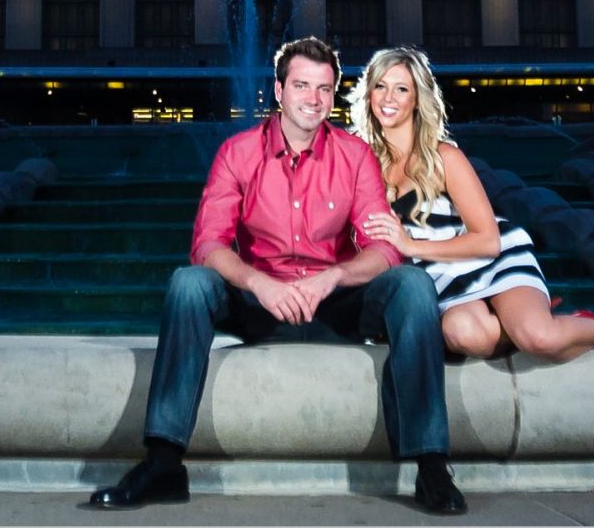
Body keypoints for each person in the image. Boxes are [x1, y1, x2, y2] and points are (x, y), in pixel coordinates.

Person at [87, 37, 467, 515]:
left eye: (325, 89)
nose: (314, 99)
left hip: (334, 303)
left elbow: (385, 250)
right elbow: (208, 245)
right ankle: (164, 463)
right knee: (188, 283)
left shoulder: (354, 156)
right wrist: (258, 283)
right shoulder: (237, 153)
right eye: (303, 86)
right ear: (279, 90)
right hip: (259, 304)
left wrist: (333, 278)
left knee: (412, 284)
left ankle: (431, 466)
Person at [350, 46, 594, 362]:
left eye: (401, 89)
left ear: (417, 100)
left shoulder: (443, 157)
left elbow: (487, 239)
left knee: (538, 339)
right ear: (369, 95)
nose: (389, 98)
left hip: (492, 262)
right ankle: (559, 325)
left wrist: (410, 243)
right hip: (440, 283)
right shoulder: (360, 165)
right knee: (465, 336)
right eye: (381, 86)